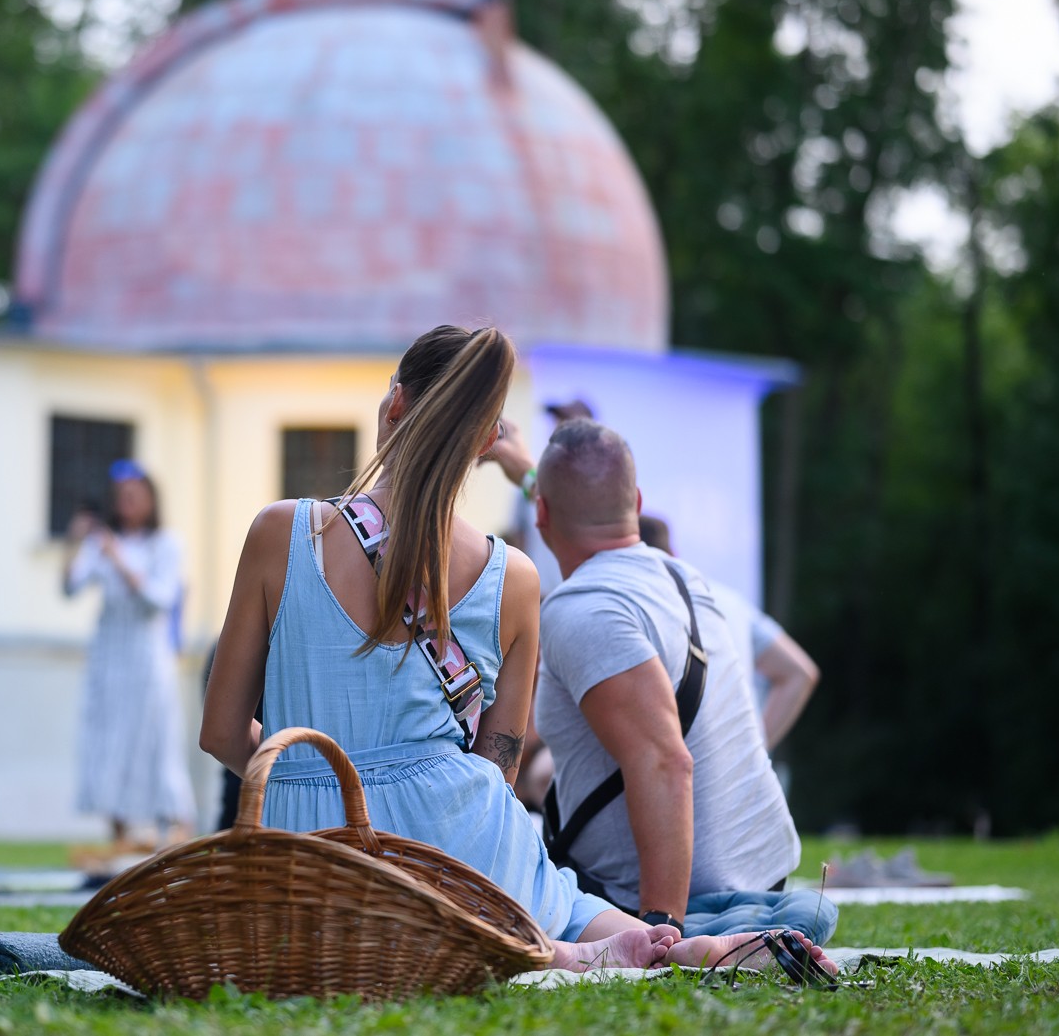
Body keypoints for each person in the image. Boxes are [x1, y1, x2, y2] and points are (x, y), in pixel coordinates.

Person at [200, 325, 835, 975]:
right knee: (569, 905)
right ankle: (678, 946)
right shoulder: (515, 577)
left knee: (403, 928)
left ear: (395, 404)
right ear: (484, 444)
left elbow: (221, 731)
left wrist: (315, 782)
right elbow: (497, 769)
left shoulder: (284, 532)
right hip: (466, 843)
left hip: (317, 845)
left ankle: (561, 949)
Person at [508, 417, 836, 942]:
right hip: (762, 876)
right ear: (636, 502)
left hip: (670, 895)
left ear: (542, 512)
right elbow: (576, 500)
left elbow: (664, 761)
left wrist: (661, 929)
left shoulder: (582, 609)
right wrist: (525, 470)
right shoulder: (683, 577)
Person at [63, 460, 196, 849]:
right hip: (109, 654)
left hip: (147, 653)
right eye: (122, 496)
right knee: (110, 736)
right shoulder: (100, 543)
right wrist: (74, 543)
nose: (128, 502)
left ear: (151, 499)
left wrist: (118, 558)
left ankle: (175, 821)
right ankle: (119, 830)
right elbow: (70, 587)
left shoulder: (166, 544)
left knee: (156, 736)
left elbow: (160, 599)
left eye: (135, 495)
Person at [637, 515, 820, 750]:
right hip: (741, 766)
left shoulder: (641, 605)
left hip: (686, 763)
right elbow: (799, 672)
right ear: (673, 552)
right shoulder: (727, 599)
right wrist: (755, 750)